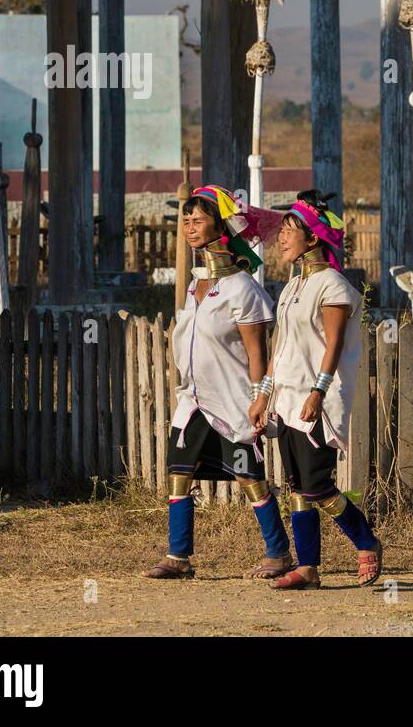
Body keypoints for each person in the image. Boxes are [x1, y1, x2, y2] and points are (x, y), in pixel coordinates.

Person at [143, 184, 293, 581]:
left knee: (248, 477)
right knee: (179, 471)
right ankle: (179, 557)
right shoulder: (197, 284)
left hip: (232, 400)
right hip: (193, 399)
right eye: (185, 221)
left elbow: (257, 353)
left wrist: (260, 399)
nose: (189, 228)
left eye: (198, 220)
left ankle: (278, 553)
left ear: (220, 226)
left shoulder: (244, 289)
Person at [250, 189, 382, 589]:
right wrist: (263, 393)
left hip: (316, 401)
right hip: (285, 399)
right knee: (296, 487)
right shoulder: (290, 288)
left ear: (314, 238)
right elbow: (281, 348)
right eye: (283, 230)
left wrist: (317, 393)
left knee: (317, 484)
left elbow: (334, 345)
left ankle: (365, 539)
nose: (282, 238)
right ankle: (307, 568)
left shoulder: (333, 286)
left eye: (291, 230)